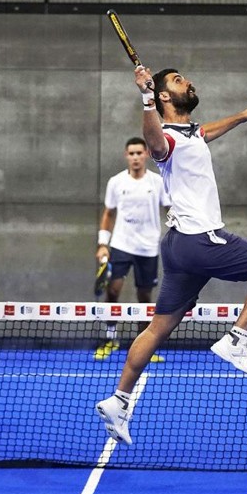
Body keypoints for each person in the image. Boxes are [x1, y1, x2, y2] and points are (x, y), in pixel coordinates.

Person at [95, 67, 247, 445]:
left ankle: (119, 400)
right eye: (179, 81)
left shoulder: (189, 133)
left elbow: (205, 133)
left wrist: (242, 115)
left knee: (158, 327)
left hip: (177, 247)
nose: (188, 82)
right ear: (165, 96)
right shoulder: (164, 137)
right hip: (202, 238)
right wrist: (146, 96)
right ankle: (236, 339)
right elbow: (155, 142)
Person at [93, 137, 171, 363]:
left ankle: (143, 345)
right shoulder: (116, 182)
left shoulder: (157, 182)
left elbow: (169, 208)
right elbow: (109, 213)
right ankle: (110, 338)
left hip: (148, 247)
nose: (136, 157)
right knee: (113, 290)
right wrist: (102, 244)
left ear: (146, 154)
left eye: (139, 153)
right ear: (126, 156)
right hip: (121, 245)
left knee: (145, 297)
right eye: (131, 153)